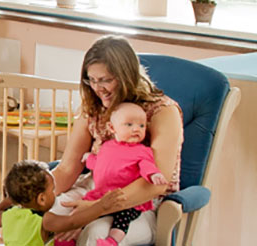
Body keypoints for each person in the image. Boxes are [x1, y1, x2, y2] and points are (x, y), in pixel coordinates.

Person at [49, 35, 184, 245]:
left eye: (105, 80)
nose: (97, 88)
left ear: (126, 75)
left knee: (95, 234)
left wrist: (95, 209)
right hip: (97, 187)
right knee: (44, 216)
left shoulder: (163, 111)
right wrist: (31, 198)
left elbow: (156, 184)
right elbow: (67, 169)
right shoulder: (94, 106)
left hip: (140, 203)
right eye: (91, 80)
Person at [80, 102, 168, 246]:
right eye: (129, 125)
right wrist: (88, 157)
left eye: (141, 126)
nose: (136, 129)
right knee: (81, 214)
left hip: (128, 201)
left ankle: (112, 241)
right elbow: (98, 165)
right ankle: (68, 239)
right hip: (101, 196)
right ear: (112, 128)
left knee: (122, 218)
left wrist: (154, 175)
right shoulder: (106, 147)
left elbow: (147, 165)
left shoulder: (142, 150)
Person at [0, 160, 125, 246]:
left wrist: (11, 199)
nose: (55, 193)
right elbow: (72, 222)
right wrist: (101, 206)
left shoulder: (7, 216)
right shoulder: (44, 220)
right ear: (42, 199)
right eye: (53, 190)